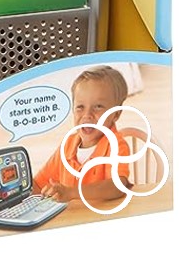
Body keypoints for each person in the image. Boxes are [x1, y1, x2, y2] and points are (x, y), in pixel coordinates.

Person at [32, 66, 131, 204]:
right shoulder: (67, 146)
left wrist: (71, 192)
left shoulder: (116, 145)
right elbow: (38, 185)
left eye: (98, 106)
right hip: (71, 216)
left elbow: (117, 186)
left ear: (116, 114)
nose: (87, 115)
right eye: (80, 107)